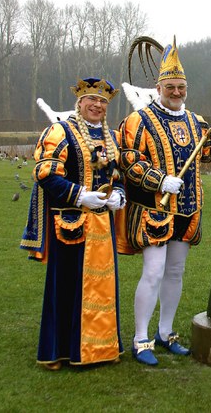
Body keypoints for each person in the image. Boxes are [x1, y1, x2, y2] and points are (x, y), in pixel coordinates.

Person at [116, 37, 211, 366]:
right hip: (155, 210)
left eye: (180, 87)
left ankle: (165, 332)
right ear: (159, 87)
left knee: (175, 273)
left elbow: (209, 152)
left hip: (188, 210)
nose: (176, 92)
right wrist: (158, 179)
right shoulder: (138, 121)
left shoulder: (196, 122)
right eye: (170, 87)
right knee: (153, 273)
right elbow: (127, 159)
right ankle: (141, 338)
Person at [20, 77, 126, 370]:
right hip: (70, 225)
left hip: (102, 226)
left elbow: (116, 176)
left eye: (103, 102)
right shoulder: (60, 131)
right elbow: (44, 172)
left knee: (103, 290)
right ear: (79, 103)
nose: (97, 105)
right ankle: (59, 351)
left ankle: (102, 349)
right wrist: (79, 195)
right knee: (66, 288)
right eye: (91, 100)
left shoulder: (112, 137)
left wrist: (118, 193)